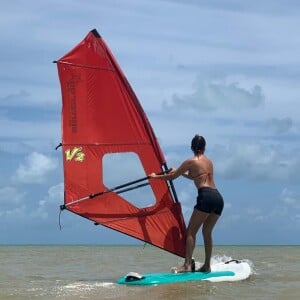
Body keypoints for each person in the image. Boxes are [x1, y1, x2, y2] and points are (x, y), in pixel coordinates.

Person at [149, 134, 224, 273]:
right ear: (204, 147)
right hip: (218, 198)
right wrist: (179, 172)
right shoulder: (209, 162)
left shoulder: (190, 162)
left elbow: (172, 177)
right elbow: (195, 176)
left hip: (205, 196)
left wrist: (155, 177)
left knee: (191, 232)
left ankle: (187, 265)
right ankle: (207, 265)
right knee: (207, 232)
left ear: (191, 148)